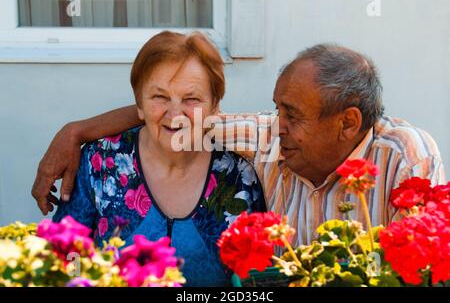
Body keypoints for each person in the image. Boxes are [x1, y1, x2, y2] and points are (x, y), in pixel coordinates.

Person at [33, 43, 445, 247]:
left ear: (348, 123)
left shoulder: (405, 158)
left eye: (292, 115)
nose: (276, 126)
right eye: (276, 110)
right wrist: (76, 131)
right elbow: (178, 116)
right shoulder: (269, 138)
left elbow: (425, 265)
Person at [50, 31, 266, 287]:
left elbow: (255, 279)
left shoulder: (240, 176)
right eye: (160, 97)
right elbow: (65, 253)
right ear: (139, 104)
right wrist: (76, 281)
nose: (175, 113)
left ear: (214, 105)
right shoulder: (99, 162)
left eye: (191, 99)